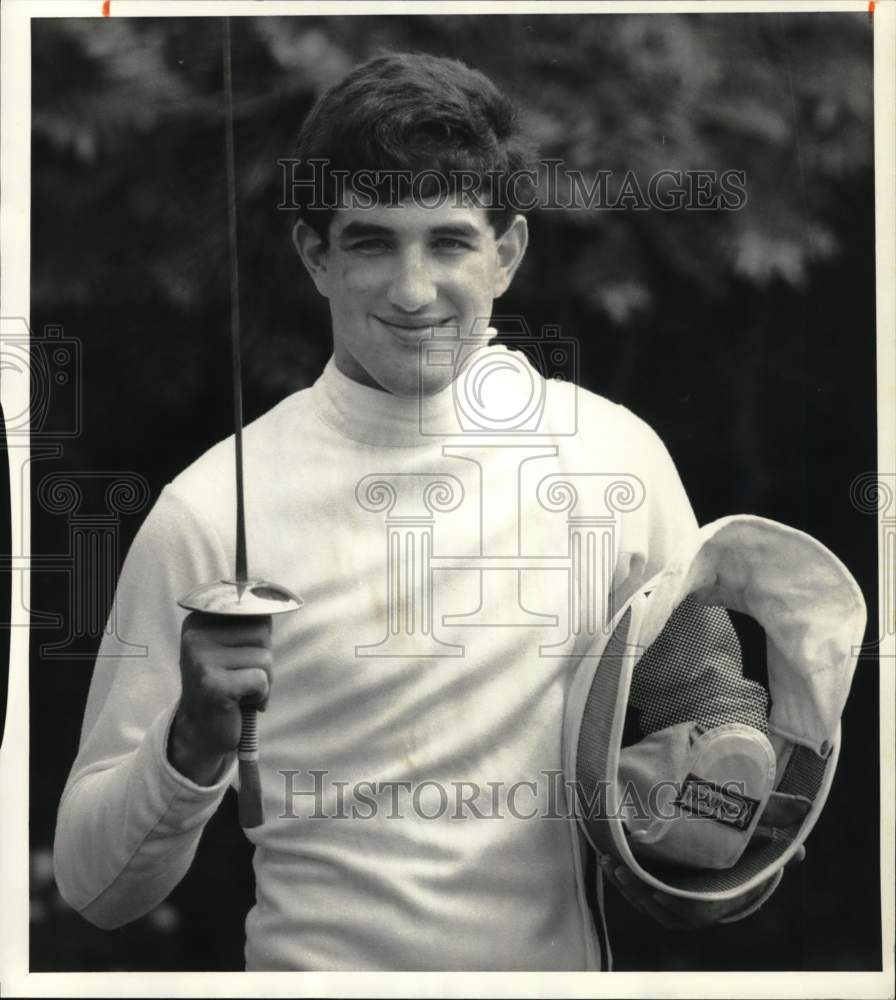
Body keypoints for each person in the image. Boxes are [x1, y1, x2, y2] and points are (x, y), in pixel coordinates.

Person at [53, 51, 789, 971]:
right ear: (316, 257)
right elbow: (95, 887)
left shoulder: (612, 462)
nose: (411, 291)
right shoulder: (209, 511)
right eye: (370, 243)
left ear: (506, 254)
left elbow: (711, 730)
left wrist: (726, 808)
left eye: (448, 242)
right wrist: (188, 745)